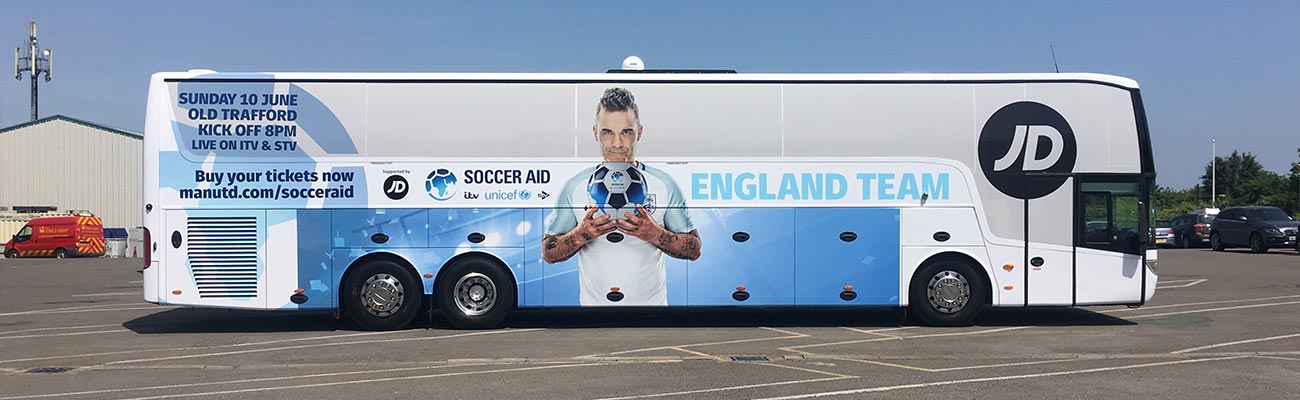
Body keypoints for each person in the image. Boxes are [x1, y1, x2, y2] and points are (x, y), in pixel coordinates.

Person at [542, 87, 701, 306]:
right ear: (595, 132)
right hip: (594, 319)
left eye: (626, 132)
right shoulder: (575, 186)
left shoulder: (664, 184)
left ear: (640, 132)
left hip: (653, 317)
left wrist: (654, 234)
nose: (617, 143)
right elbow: (549, 252)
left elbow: (694, 249)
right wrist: (582, 234)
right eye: (607, 132)